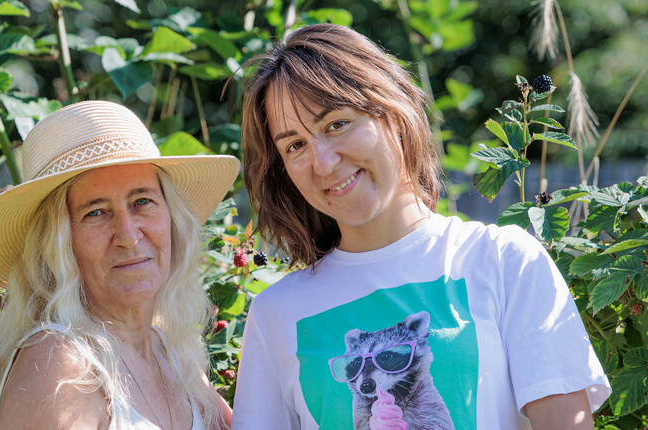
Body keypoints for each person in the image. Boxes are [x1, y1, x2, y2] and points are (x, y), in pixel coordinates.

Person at [232, 24, 611, 429]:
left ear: (393, 114)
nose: (322, 162)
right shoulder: (275, 314)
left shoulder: (504, 261)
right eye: (295, 145)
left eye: (337, 124)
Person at [0, 101, 240, 429]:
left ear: (172, 218)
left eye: (142, 202)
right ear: (57, 244)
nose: (128, 235)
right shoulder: (60, 363)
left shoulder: (172, 354)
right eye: (95, 212)